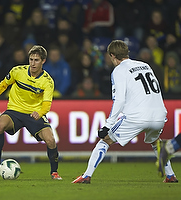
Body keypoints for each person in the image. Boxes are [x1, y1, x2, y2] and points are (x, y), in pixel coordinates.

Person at [72, 40, 178, 184]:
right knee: (155, 142)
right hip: (160, 115)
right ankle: (170, 175)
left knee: (105, 140)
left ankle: (86, 176)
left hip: (137, 117)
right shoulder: (144, 65)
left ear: (112, 56)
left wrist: (107, 126)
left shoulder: (119, 70)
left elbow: (119, 100)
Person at [0, 45, 62, 180]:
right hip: (14, 110)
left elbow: (47, 104)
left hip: (34, 113)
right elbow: (2, 85)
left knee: (51, 140)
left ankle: (54, 172)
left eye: (36, 60)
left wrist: (40, 113)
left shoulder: (47, 81)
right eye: (31, 59)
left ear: (43, 61)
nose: (33, 63)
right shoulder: (17, 71)